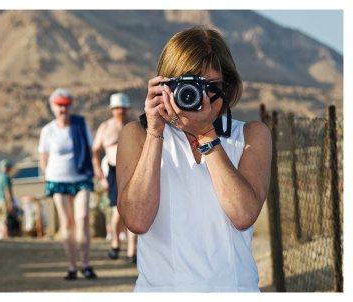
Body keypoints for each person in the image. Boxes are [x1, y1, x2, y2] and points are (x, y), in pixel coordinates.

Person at [116, 26, 272, 292]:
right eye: (189, 84)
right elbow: (137, 220)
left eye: (210, 86)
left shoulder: (251, 135)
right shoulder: (138, 135)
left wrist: (206, 135)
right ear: (165, 86)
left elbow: (244, 214)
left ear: (227, 85)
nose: (199, 97)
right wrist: (155, 132)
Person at [38, 88, 97, 280]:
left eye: (65, 105)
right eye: (59, 105)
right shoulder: (48, 131)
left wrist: (94, 172)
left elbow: (90, 149)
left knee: (82, 218)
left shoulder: (80, 125)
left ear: (70, 106)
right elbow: (43, 157)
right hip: (58, 180)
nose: (63, 109)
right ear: (53, 107)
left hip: (81, 178)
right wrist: (48, 176)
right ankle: (72, 266)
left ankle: (85, 264)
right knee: (67, 222)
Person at [92, 93, 137, 264]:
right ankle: (116, 242)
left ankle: (132, 250)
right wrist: (99, 172)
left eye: (123, 108)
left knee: (133, 208)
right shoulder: (105, 128)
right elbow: (95, 151)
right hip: (113, 170)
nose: (120, 111)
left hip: (132, 168)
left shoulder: (134, 125)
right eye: (117, 108)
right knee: (117, 210)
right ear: (112, 109)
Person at [0, 159, 15, 239]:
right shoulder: (5, 177)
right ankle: (5, 237)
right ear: (6, 167)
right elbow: (7, 191)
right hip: (3, 201)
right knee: (5, 220)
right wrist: (10, 203)